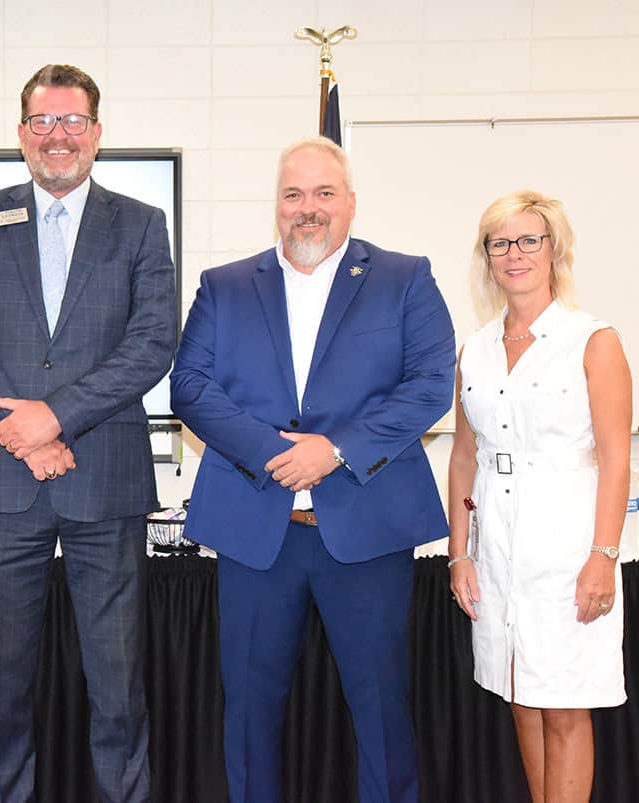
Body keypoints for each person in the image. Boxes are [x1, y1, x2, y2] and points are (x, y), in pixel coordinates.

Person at [170, 137, 455, 803]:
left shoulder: (403, 277)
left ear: (350, 202)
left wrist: (333, 449)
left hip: (366, 530)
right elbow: (191, 387)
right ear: (276, 205)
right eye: (294, 194)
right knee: (247, 714)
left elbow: (430, 385)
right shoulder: (226, 285)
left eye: (324, 193)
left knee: (382, 709)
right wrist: (278, 451)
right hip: (254, 531)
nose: (309, 209)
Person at [0, 64, 175, 803]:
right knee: (2, 683)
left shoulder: (139, 223)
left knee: (118, 685)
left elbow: (153, 339)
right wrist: (23, 429)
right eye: (43, 122)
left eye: (72, 122)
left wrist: (57, 415)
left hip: (106, 478)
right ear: (21, 135)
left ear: (97, 135)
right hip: (5, 484)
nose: (57, 136)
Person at [447, 190, 630, 803]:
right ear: (487, 257)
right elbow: (465, 456)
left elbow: (616, 458)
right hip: (495, 548)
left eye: (530, 240)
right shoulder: (474, 348)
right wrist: (458, 553)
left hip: (569, 549)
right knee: (519, 693)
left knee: (564, 704)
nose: (515, 254)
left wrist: (604, 555)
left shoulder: (592, 339)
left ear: (555, 250)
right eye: (501, 243)